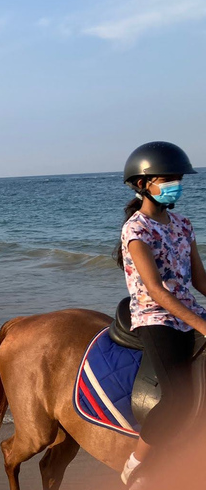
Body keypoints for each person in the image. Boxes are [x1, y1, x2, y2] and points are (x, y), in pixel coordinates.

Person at [113, 141, 206, 487]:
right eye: (168, 179)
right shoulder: (136, 230)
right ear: (142, 185)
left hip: (189, 312)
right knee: (178, 398)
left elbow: (199, 279)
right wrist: (202, 325)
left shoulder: (183, 224)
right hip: (156, 318)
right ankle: (136, 462)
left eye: (178, 179)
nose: (176, 185)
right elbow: (154, 289)